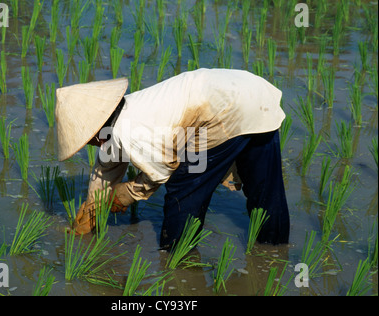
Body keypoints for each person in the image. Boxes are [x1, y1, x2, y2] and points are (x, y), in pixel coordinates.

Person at [55, 68, 290, 249]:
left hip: (224, 110)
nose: (91, 144)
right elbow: (105, 168)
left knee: (184, 186)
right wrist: (91, 210)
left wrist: (125, 195)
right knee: (266, 187)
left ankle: (178, 256)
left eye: (87, 139)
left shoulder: (128, 131)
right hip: (256, 95)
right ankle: (274, 250)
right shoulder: (128, 108)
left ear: (96, 130)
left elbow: (161, 171)